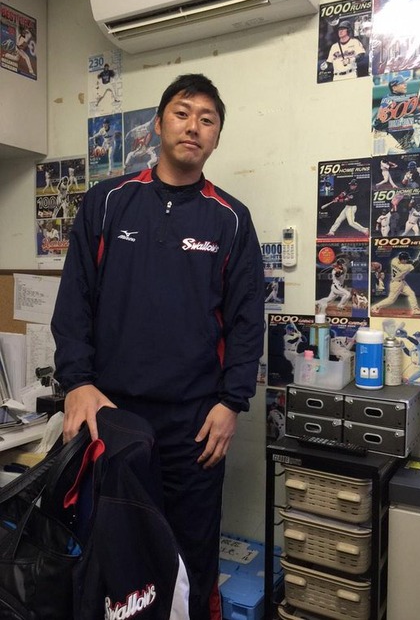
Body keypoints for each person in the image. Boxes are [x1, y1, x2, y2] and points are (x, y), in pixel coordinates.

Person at [51, 73, 265, 620]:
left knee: (192, 558)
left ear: (216, 137)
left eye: (207, 120)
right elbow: (74, 300)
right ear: (158, 124)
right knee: (114, 557)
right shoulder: (108, 203)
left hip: (195, 426)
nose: (193, 127)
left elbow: (247, 322)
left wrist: (232, 403)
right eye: (182, 113)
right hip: (113, 417)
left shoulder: (231, 219)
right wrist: (77, 382)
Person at [371, 250, 420, 315]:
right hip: (396, 284)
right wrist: (416, 261)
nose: (406, 261)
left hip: (401, 282)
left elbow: (405, 261)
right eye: (406, 259)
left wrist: (412, 261)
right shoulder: (404, 268)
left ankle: (415, 309)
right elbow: (413, 266)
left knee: (411, 293)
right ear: (402, 260)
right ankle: (375, 307)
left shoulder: (394, 260)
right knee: (391, 300)